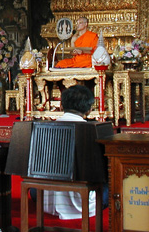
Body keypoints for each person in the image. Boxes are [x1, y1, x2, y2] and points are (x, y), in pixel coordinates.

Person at [42, 85, 109, 219]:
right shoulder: (95, 130)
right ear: (89, 109)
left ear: (61, 106)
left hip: (46, 202)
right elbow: (104, 173)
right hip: (83, 204)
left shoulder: (43, 128)